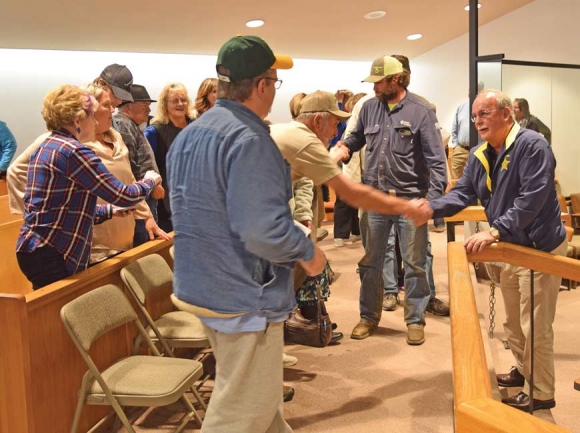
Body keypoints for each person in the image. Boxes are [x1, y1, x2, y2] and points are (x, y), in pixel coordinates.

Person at [166, 35, 327, 433]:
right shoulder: (252, 140)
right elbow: (262, 231)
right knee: (241, 412)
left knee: (259, 399)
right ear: (261, 86)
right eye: (273, 81)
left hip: (203, 286)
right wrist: (308, 252)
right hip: (242, 295)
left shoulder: (189, 135)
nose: (273, 89)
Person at [419, 89, 566, 411]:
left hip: (537, 248)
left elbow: (534, 197)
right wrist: (431, 208)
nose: (478, 121)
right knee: (513, 323)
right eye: (474, 116)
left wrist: (496, 230)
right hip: (509, 247)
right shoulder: (480, 153)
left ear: (505, 113)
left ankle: (541, 393)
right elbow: (464, 194)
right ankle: (524, 370)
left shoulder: (532, 145)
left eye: (484, 113)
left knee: (535, 326)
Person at [341, 55, 448, 345]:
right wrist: (343, 148)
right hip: (375, 199)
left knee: (415, 263)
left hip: (409, 201)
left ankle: (415, 319)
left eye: (380, 81)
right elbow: (356, 139)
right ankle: (368, 317)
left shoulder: (421, 111)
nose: (374, 86)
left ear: (397, 80)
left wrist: (433, 204)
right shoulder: (368, 108)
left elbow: (438, 162)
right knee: (370, 261)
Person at [16, 85, 160, 290]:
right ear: (76, 120)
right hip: (54, 251)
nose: (94, 122)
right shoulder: (74, 151)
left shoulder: (49, 145)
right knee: (60, 316)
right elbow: (123, 195)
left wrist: (109, 211)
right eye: (90, 116)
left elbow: (64, 208)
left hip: (39, 249)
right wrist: (150, 180)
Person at [83, 83, 169, 261]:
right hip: (96, 240)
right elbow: (18, 170)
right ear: (90, 108)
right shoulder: (77, 143)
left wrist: (147, 217)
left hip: (123, 232)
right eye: (107, 105)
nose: (113, 111)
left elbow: (129, 178)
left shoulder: (115, 136)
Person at [114, 84, 166, 246]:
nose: (148, 109)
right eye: (144, 104)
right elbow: (129, 161)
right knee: (144, 241)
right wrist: (152, 185)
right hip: (140, 196)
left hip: (143, 194)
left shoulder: (130, 124)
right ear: (129, 105)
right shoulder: (123, 124)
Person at [144, 82, 195, 232]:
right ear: (165, 104)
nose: (180, 104)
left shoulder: (198, 125)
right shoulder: (154, 132)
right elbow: (146, 166)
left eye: (183, 99)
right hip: (169, 207)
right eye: (175, 101)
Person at [450, 82, 484, 179]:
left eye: (474, 90)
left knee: (477, 181)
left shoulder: (485, 109)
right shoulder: (461, 107)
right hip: (460, 151)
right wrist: (456, 146)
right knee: (456, 183)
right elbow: (454, 129)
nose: (470, 92)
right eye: (470, 90)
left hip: (479, 151)